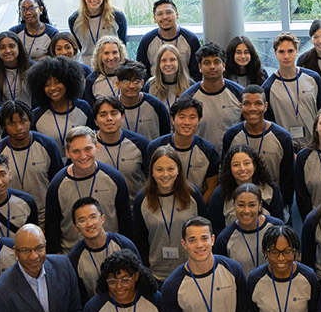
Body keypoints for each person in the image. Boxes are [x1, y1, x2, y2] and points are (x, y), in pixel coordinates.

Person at [43, 126, 132, 253]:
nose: (83, 156)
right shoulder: (57, 185)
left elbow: (125, 221)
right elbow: (53, 228)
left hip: (113, 253)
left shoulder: (114, 178)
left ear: (97, 148)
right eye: (76, 151)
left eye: (88, 149)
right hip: (72, 255)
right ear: (67, 153)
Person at [131, 145, 203, 280]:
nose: (165, 175)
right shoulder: (142, 199)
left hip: (191, 270)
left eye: (170, 169)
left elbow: (205, 231)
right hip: (156, 273)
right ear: (151, 172)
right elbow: (140, 241)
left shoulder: (192, 194)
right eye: (159, 170)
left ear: (178, 171)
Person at [219, 90, 296, 210]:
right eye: (247, 104)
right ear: (241, 106)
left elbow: (288, 179)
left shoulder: (283, 137)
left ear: (265, 106)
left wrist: (283, 206)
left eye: (258, 103)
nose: (252, 108)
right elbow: (225, 173)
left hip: (272, 203)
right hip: (238, 206)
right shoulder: (231, 135)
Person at [0, 100, 66, 200]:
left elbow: (58, 182)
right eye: (12, 123)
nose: (19, 128)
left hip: (44, 211)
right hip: (13, 211)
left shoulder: (47, 145)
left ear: (30, 121)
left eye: (23, 121)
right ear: (4, 126)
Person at [67, 197, 139, 298]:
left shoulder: (124, 245)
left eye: (93, 217)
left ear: (103, 219)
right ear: (76, 227)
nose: (89, 224)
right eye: (82, 220)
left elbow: (140, 280)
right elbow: (78, 296)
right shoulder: (74, 258)